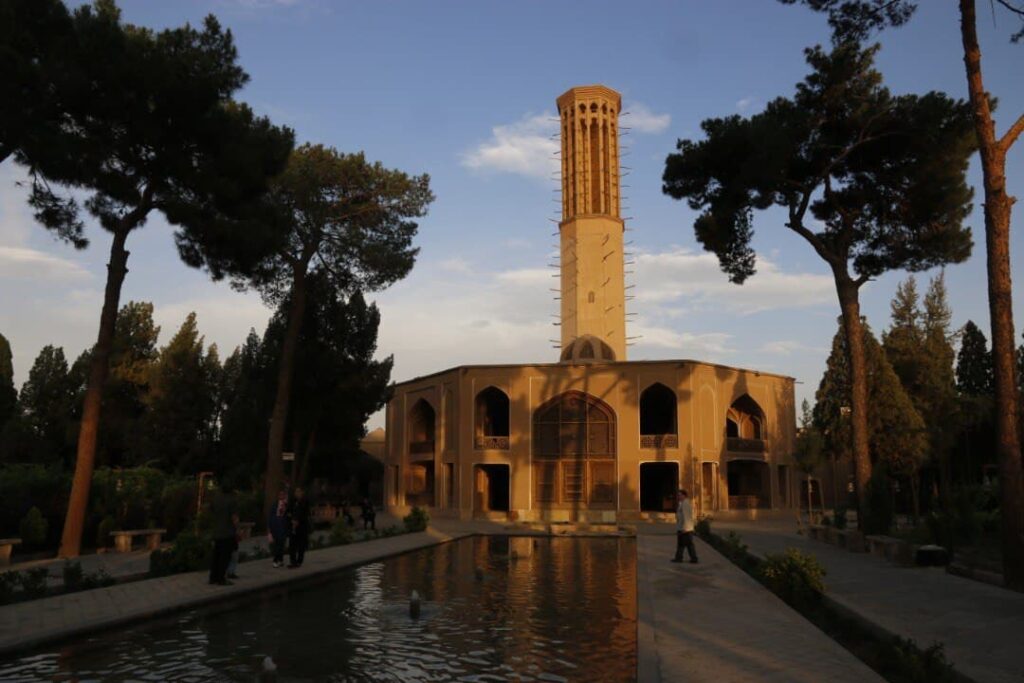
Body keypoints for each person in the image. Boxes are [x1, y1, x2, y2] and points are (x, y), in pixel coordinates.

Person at [209, 483, 238, 585]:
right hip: (227, 532)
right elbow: (234, 517)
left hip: (216, 532)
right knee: (224, 556)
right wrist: (237, 529)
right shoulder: (231, 501)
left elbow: (211, 510)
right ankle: (221, 578)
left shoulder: (216, 499)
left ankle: (213, 577)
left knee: (216, 555)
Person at [672, 488, 699, 564]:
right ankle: (679, 558)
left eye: (680, 495)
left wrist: (685, 528)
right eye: (678, 495)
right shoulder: (682, 503)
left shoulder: (685, 504)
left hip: (685, 528)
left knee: (689, 544)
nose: (678, 497)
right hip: (682, 527)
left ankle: (694, 558)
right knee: (681, 544)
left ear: (684, 496)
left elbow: (687, 516)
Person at [288, 486, 311, 568]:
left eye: (298, 492)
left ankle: (299, 561)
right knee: (292, 544)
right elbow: (289, 511)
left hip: (302, 526)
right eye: (296, 492)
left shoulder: (305, 501)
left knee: (301, 545)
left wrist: (298, 520)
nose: (297, 493)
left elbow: (305, 513)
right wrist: (292, 519)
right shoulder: (293, 501)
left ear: (302, 492)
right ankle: (293, 561)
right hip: (293, 525)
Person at [268, 489, 291, 569]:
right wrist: (270, 529)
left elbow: (287, 515)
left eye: (283, 495)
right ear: (278, 496)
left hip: (283, 527)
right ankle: (275, 560)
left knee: (282, 544)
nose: (282, 496)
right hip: (276, 526)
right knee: (277, 544)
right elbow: (271, 516)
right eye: (280, 495)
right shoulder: (275, 505)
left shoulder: (286, 505)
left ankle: (280, 560)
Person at [225, 512, 242, 580]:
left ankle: (230, 572)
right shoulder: (232, 528)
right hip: (232, 544)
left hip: (233, 544)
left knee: (232, 559)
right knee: (233, 559)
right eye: (236, 519)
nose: (237, 521)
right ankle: (230, 572)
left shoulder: (233, 527)